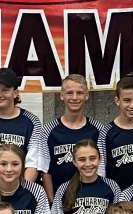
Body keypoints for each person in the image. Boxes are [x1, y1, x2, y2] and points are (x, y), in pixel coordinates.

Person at [43, 74, 108, 202]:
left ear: (86, 95)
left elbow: (101, 168)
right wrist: (52, 202)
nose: (74, 97)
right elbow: (45, 171)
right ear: (61, 95)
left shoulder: (99, 129)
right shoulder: (48, 130)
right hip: (60, 203)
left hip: (91, 201)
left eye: (79, 93)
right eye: (69, 93)